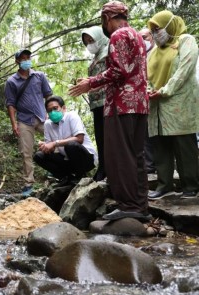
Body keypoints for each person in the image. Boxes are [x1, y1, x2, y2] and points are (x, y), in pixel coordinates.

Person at [69, 1, 152, 221]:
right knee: (137, 154)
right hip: (140, 103)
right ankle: (140, 205)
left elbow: (118, 71)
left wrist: (91, 82)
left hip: (122, 105)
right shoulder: (138, 36)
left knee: (120, 156)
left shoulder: (117, 36)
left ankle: (128, 205)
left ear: (107, 18)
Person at [146, 11, 199, 199]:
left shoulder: (186, 40)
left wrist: (165, 90)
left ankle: (191, 185)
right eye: (152, 30)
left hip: (179, 101)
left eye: (157, 28)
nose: (155, 33)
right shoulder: (153, 52)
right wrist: (148, 90)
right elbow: (147, 77)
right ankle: (164, 185)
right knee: (160, 145)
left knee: (184, 144)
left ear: (169, 25)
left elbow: (185, 69)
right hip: (157, 104)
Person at [5, 49, 53, 197]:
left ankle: (58, 174)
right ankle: (28, 184)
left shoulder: (39, 76)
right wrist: (14, 124)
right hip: (24, 121)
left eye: (28, 57)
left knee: (57, 142)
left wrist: (51, 115)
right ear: (17, 61)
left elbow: (49, 96)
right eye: (23, 58)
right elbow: (11, 104)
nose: (26, 60)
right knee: (26, 152)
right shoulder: (12, 81)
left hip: (42, 118)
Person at [33, 96, 97, 186]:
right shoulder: (48, 124)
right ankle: (65, 177)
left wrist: (54, 143)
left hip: (86, 159)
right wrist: (45, 146)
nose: (52, 112)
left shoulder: (72, 116)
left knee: (71, 145)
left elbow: (79, 139)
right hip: (67, 159)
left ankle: (80, 176)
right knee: (39, 156)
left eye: (55, 108)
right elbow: (50, 148)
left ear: (63, 108)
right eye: (49, 111)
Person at [81, 26, 109, 181]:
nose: (90, 44)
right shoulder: (95, 58)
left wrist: (91, 84)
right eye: (86, 42)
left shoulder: (109, 51)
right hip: (96, 104)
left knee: (109, 138)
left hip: (108, 101)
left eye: (91, 40)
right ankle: (102, 168)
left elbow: (112, 76)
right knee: (100, 137)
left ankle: (110, 169)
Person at [138, 28, 157, 174]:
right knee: (145, 132)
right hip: (144, 99)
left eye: (144, 36)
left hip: (160, 96)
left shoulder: (158, 52)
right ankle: (149, 166)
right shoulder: (139, 55)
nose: (143, 40)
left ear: (152, 36)